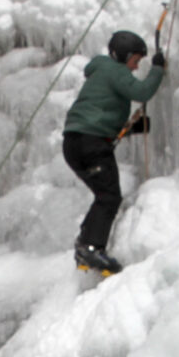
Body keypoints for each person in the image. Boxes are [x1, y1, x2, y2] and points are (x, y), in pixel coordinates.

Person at [61, 28, 166, 274]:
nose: (134, 67)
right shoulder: (114, 70)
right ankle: (91, 247)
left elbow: (100, 113)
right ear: (125, 56)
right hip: (91, 144)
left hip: (74, 144)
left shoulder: (100, 74)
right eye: (136, 61)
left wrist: (130, 128)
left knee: (103, 195)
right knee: (109, 197)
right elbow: (142, 92)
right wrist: (158, 69)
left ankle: (85, 245)